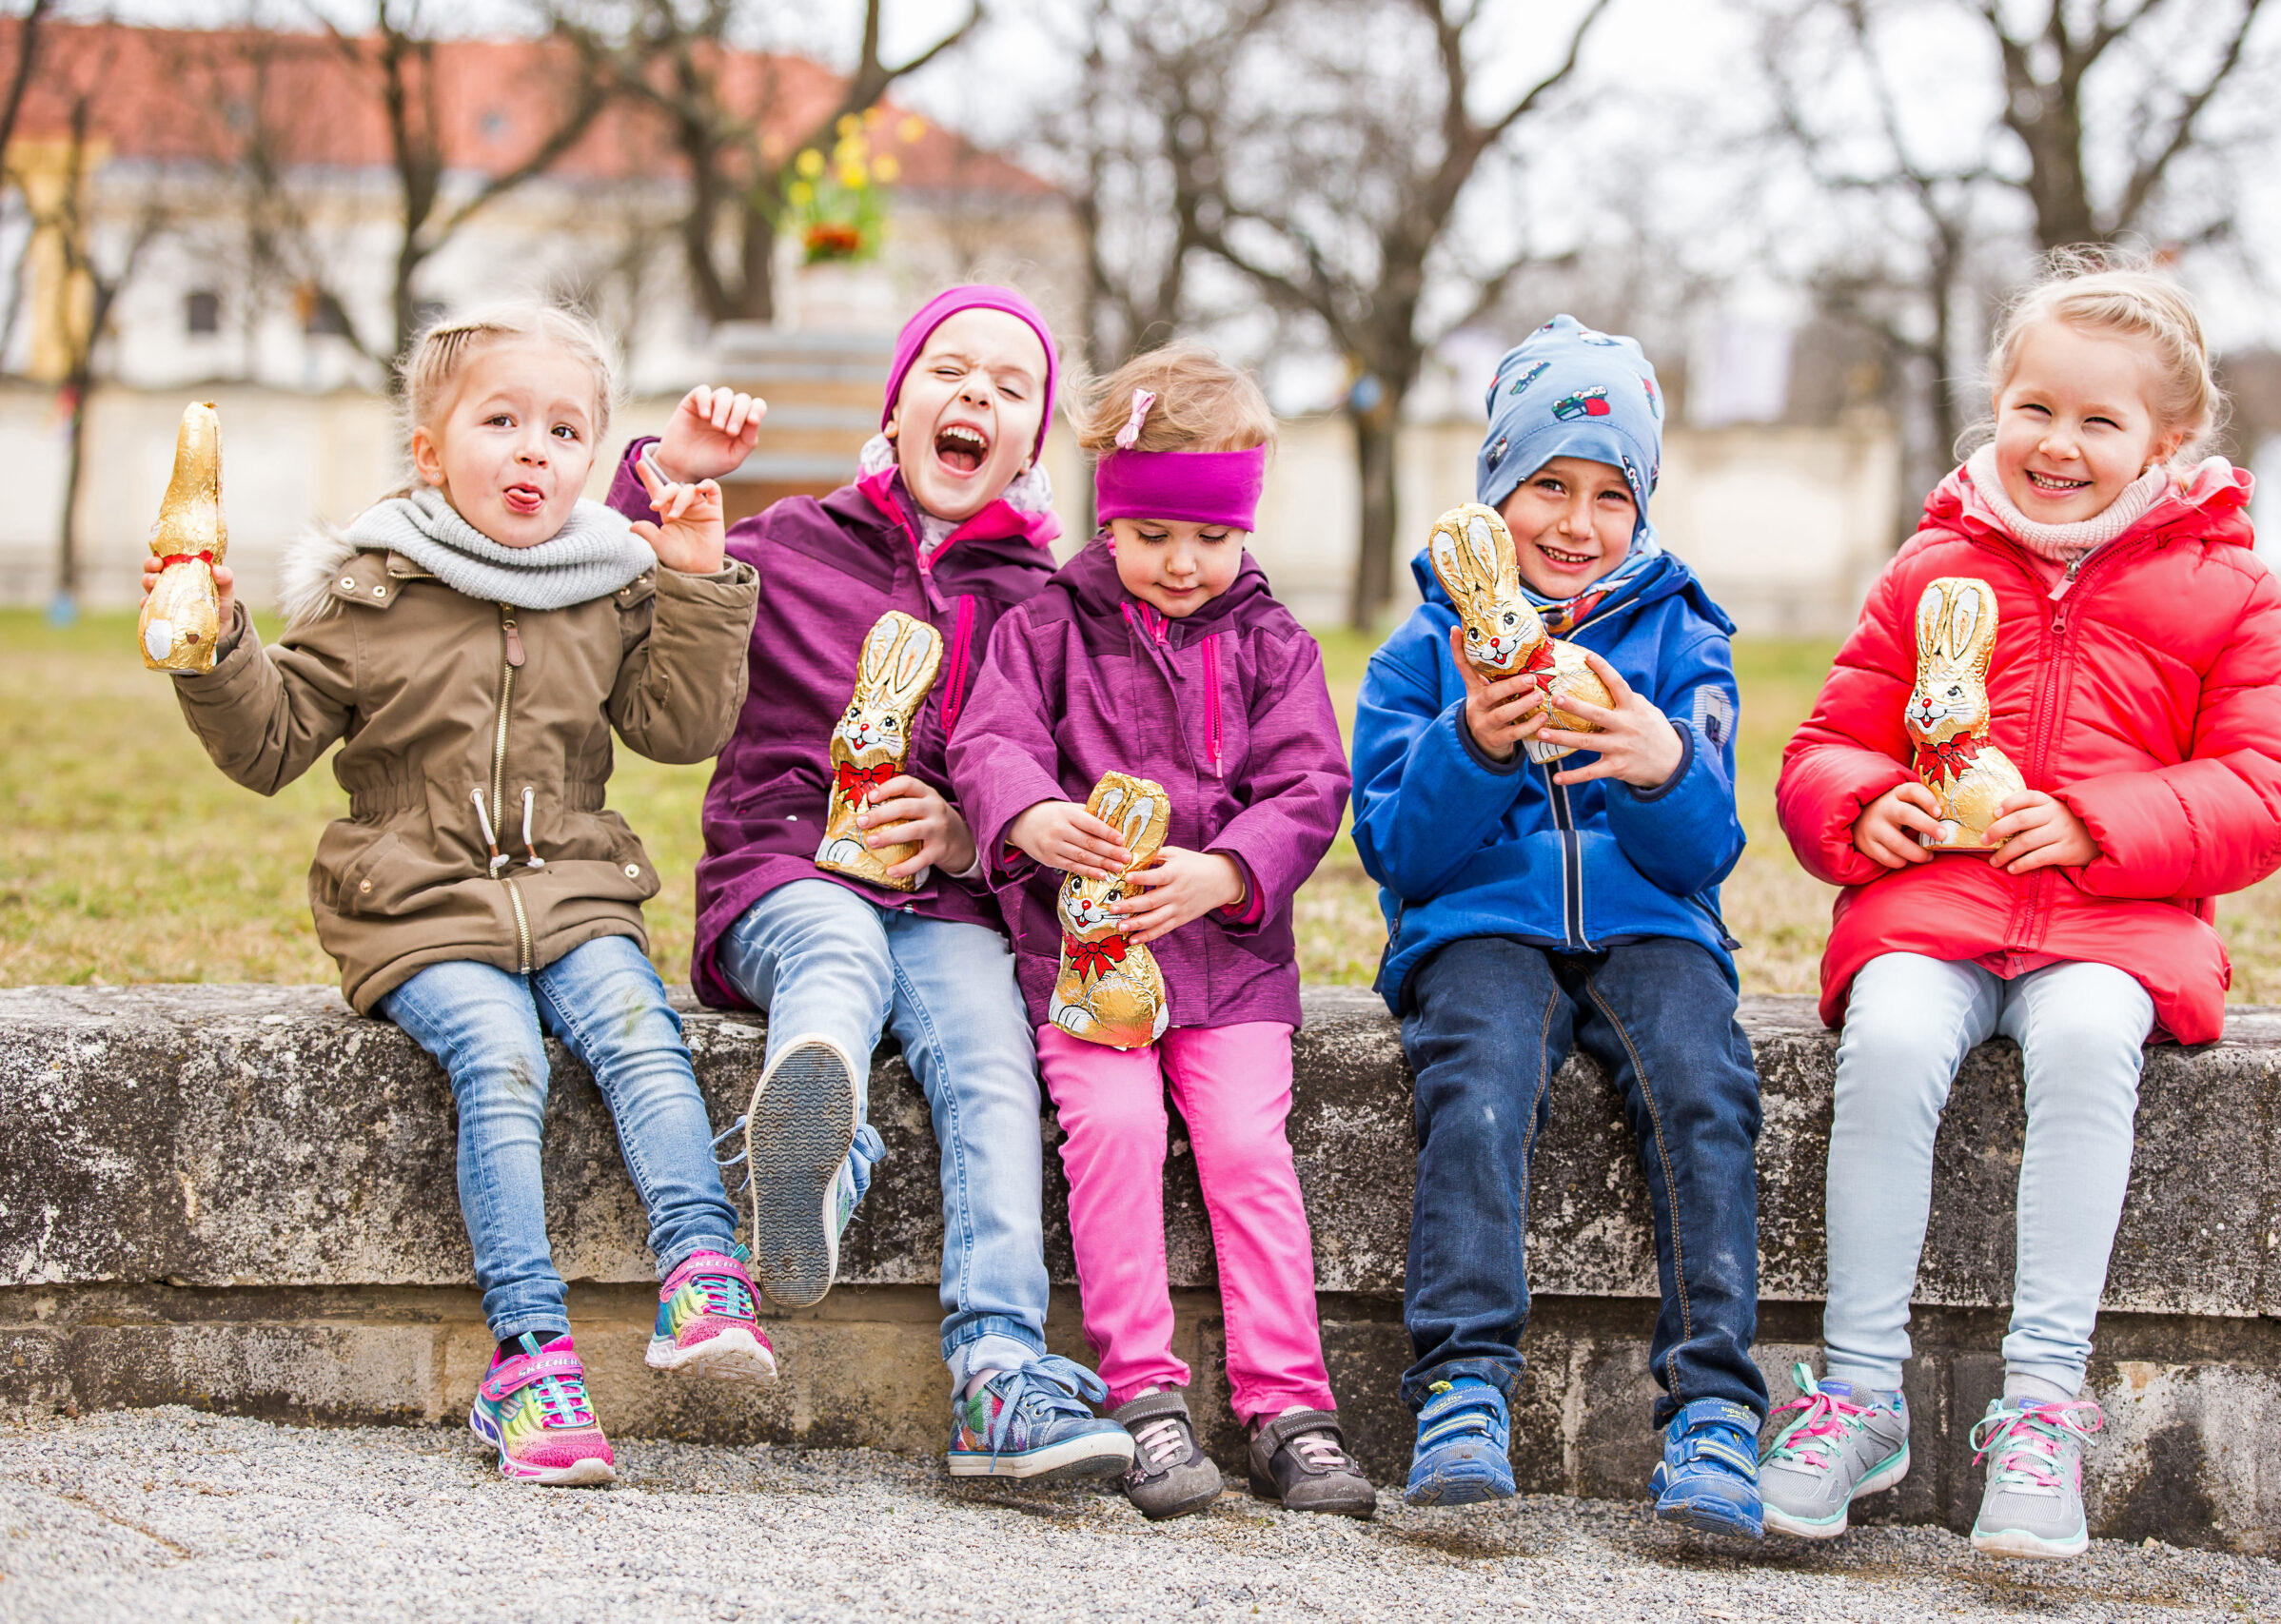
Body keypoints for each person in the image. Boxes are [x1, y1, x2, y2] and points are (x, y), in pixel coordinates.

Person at [149, 303, 767, 1485]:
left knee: (643, 1037)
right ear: (428, 451)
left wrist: (693, 580)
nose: (533, 450)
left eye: (563, 429)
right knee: (500, 1056)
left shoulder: (611, 583)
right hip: (418, 904)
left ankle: (702, 1271)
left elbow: (678, 729)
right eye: (501, 421)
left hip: (575, 893)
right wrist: (217, 642)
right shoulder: (372, 591)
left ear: (594, 457)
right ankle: (528, 1358)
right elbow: (271, 743)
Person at [1766, 251, 2281, 1559]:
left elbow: (2270, 781)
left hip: (2115, 921)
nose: (2058, 442)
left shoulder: (2227, 588)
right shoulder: (1928, 569)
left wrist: (2098, 823)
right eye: (2035, 407)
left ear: (2165, 442)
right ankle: (1855, 1387)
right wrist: (1864, 805)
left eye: (2098, 420)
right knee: (1890, 1038)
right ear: (1995, 406)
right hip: (1936, 911)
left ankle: (2039, 1406)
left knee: (2084, 1046)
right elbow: (1823, 744)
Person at [614, 285, 1133, 1481]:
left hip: (948, 902)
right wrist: (661, 468)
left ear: (1032, 443)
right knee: (835, 949)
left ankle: (997, 1371)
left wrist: (965, 833)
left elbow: (1050, 776)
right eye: (950, 371)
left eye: (1011, 390)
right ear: (895, 406)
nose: (976, 398)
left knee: (996, 1060)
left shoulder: (1039, 603)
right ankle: (819, 1166)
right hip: (785, 870)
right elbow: (626, 570)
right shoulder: (790, 542)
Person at [1349, 316, 1767, 1535]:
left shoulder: (1684, 639)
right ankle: (1462, 1389)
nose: (1575, 523)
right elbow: (1396, 850)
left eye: (1607, 494)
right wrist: (1473, 741)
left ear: (1641, 509)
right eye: (1546, 486)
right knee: (1475, 1082)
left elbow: (1707, 853)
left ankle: (1713, 1410)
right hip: (1479, 924)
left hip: (1652, 928)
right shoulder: (1424, 648)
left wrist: (1659, 764)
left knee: (1705, 1088)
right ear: (1496, 491)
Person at [950, 346, 1376, 1521]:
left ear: (1244, 531)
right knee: (1115, 1128)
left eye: (1210, 538)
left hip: (1230, 963)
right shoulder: (1047, 626)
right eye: (1151, 534)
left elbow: (1308, 787)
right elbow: (989, 743)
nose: (1181, 563)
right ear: (1111, 518)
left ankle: (1288, 1404)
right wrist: (1031, 816)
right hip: (1084, 961)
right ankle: (1140, 1392)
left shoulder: (1272, 643)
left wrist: (1225, 869)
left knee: (1246, 1147)